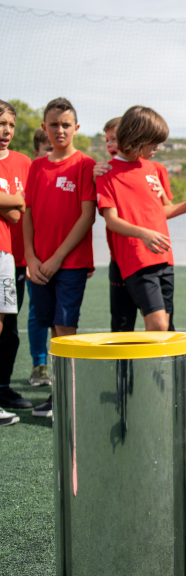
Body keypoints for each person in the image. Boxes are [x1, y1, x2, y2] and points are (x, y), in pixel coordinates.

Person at [96, 106, 186, 332]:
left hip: (164, 256)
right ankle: (131, 368)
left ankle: (157, 369)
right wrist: (143, 233)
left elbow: (158, 212)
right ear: (137, 139)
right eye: (153, 142)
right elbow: (112, 221)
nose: (157, 148)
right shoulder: (107, 173)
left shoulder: (153, 169)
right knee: (156, 324)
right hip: (136, 259)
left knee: (166, 327)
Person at [22, 98, 97, 419]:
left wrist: (56, 258)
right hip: (38, 265)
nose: (60, 130)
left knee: (66, 329)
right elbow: (27, 214)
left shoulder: (85, 165)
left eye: (66, 124)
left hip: (70, 264)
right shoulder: (36, 166)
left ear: (76, 128)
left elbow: (86, 217)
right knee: (53, 327)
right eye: (54, 125)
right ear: (44, 129)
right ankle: (59, 395)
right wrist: (31, 257)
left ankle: (68, 401)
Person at [0, 99, 29, 423]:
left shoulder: (24, 162)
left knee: (10, 327)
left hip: (17, 257)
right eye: (0, 124)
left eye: (9, 125)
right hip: (2, 252)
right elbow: (16, 208)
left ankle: (3, 387)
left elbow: (22, 209)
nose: (5, 131)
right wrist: (18, 203)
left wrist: (13, 204)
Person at [23, 130, 52, 388]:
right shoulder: (30, 172)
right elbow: (21, 213)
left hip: (43, 257)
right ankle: (38, 363)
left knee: (39, 310)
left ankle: (43, 365)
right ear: (36, 154)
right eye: (47, 150)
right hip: (19, 254)